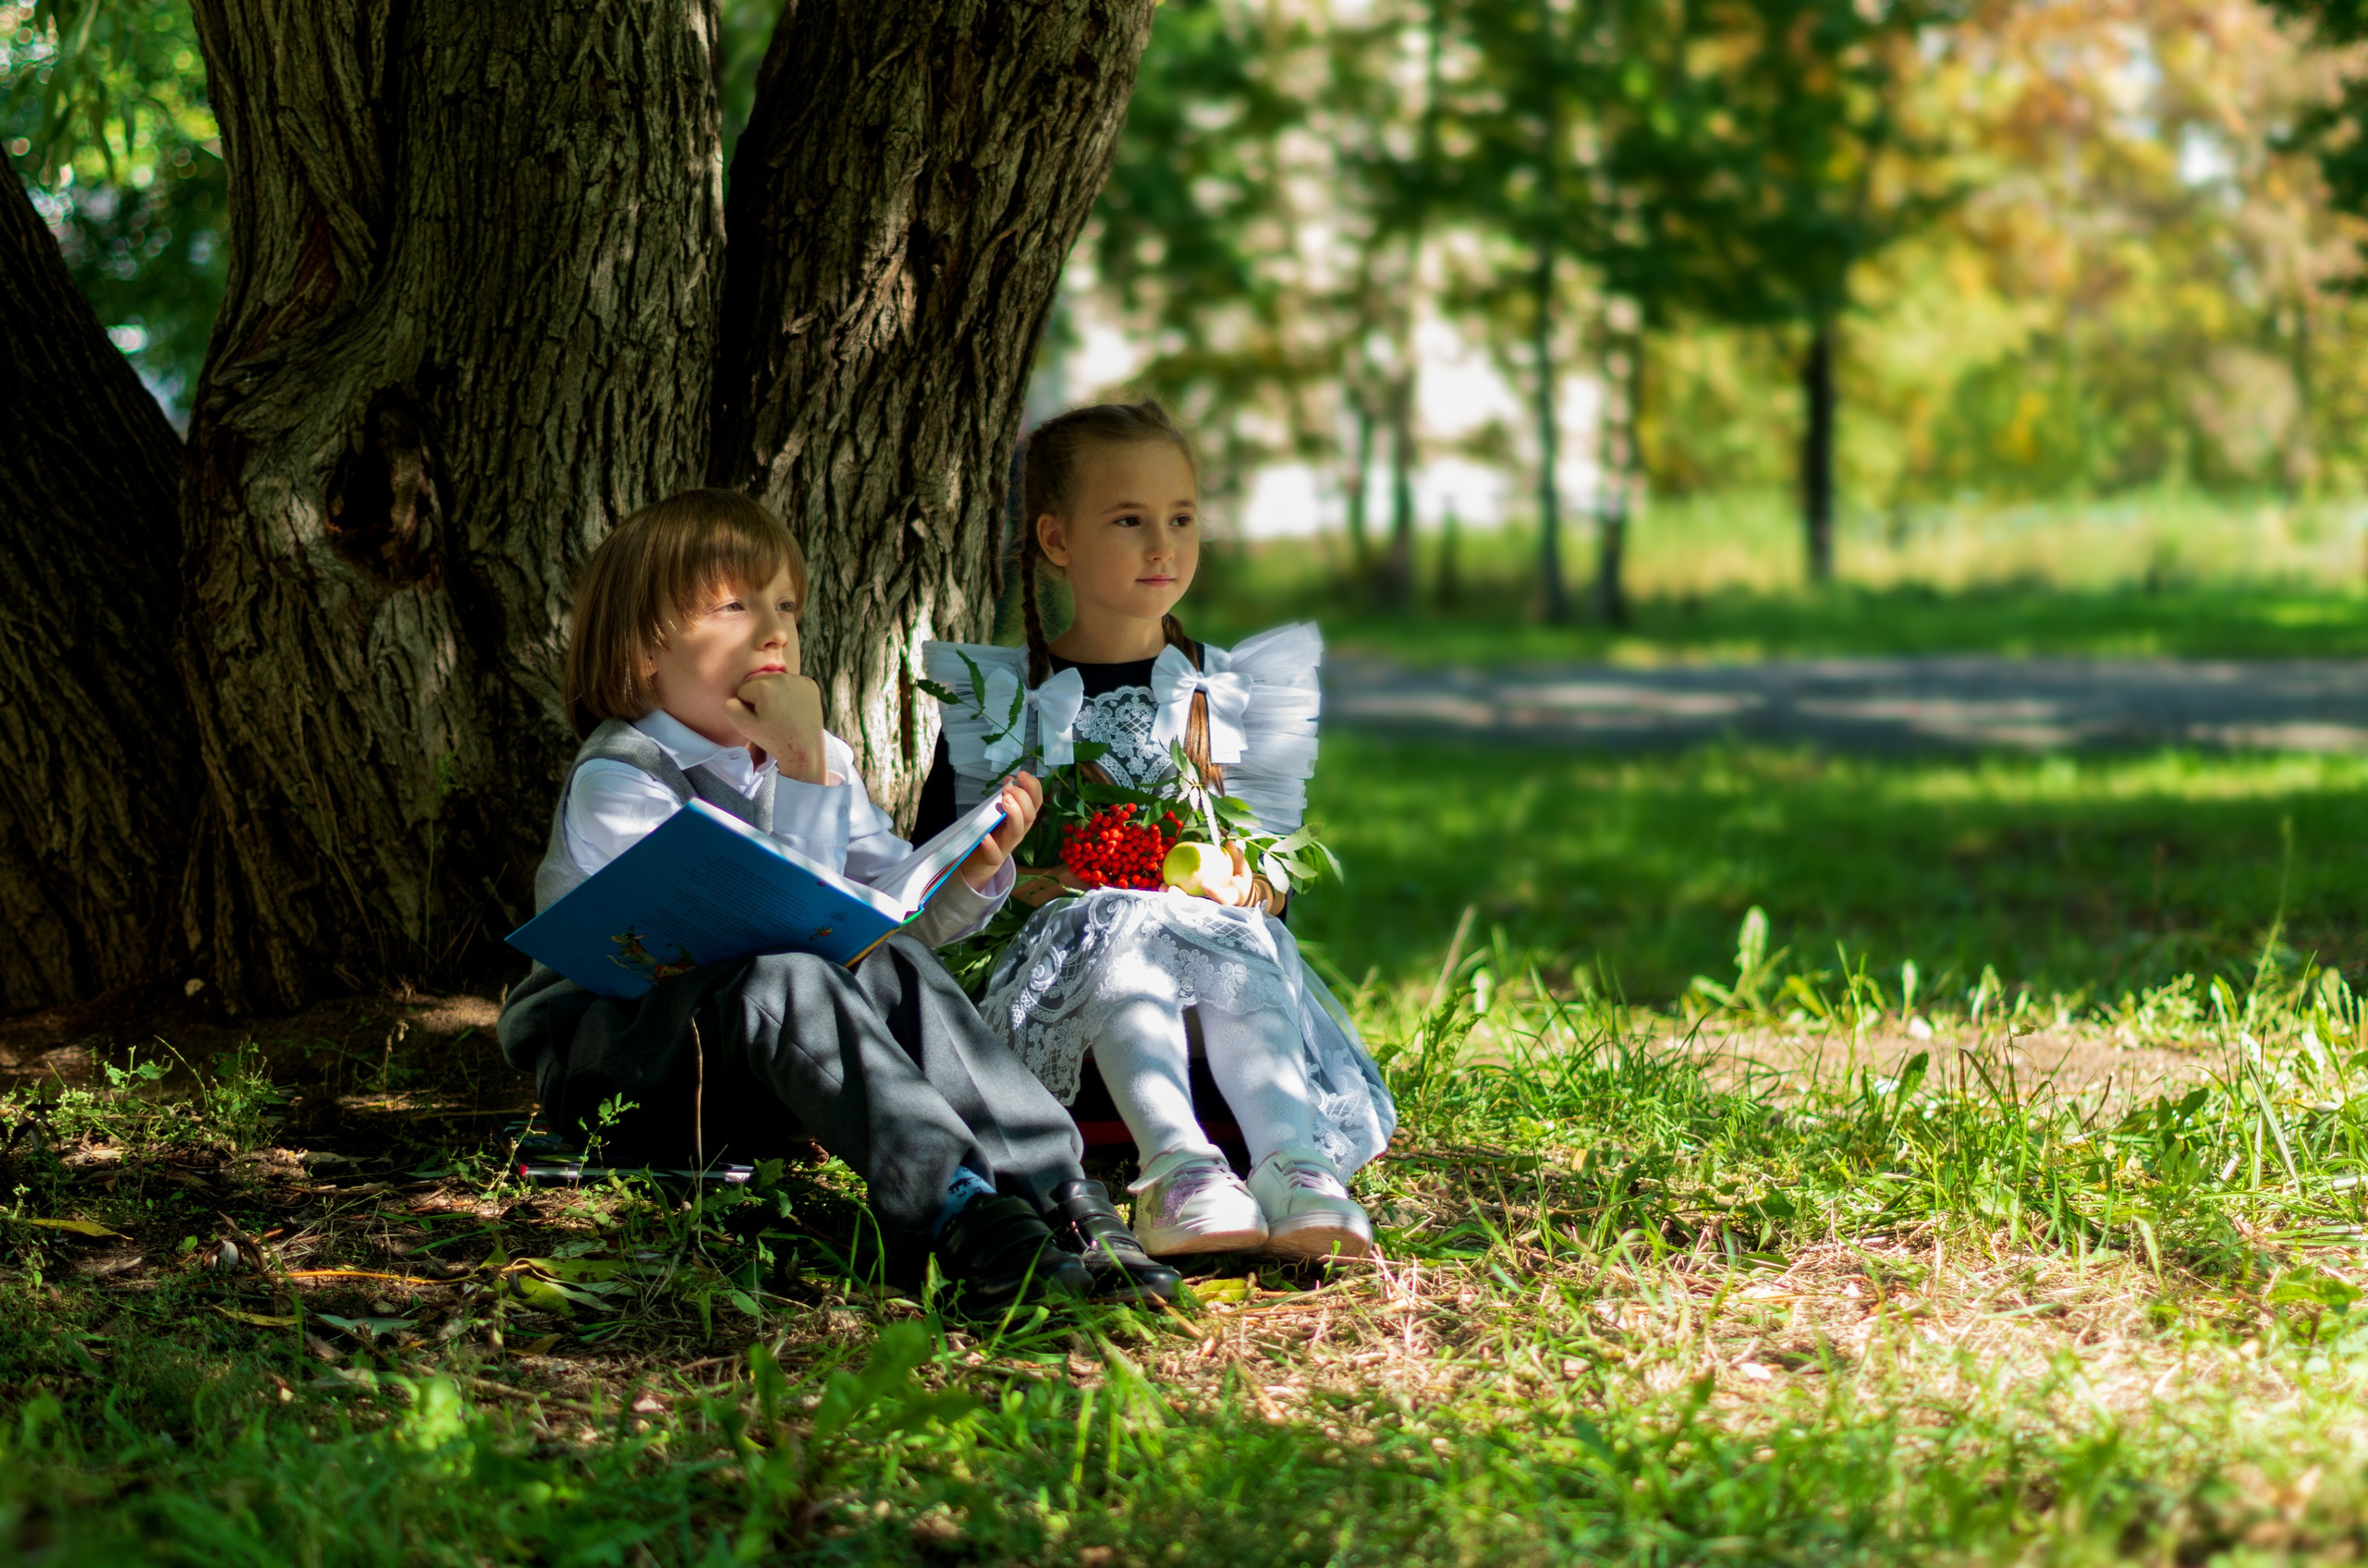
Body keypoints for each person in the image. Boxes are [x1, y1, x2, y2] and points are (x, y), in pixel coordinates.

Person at [496, 489, 1179, 1310]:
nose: (775, 628)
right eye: (735, 604)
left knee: (886, 962)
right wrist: (801, 771)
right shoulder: (620, 778)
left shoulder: (808, 756)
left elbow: (878, 922)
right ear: (648, 648)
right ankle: (957, 1212)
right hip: (622, 1068)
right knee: (785, 975)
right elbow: (786, 936)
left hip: (769, 1072)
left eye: (784, 603)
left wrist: (964, 872)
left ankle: (1056, 1195)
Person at [918, 402, 1397, 1262]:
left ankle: (1293, 1161)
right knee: (1119, 912)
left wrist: (1234, 877)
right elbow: (944, 891)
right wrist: (1033, 879)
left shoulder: (1226, 690)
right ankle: (1177, 1168)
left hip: (1222, 999)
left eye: (1181, 519)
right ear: (1056, 540)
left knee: (1212, 918)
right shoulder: (1004, 705)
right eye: (1129, 520)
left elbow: (1273, 891)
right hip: (1071, 1009)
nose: (1162, 546)